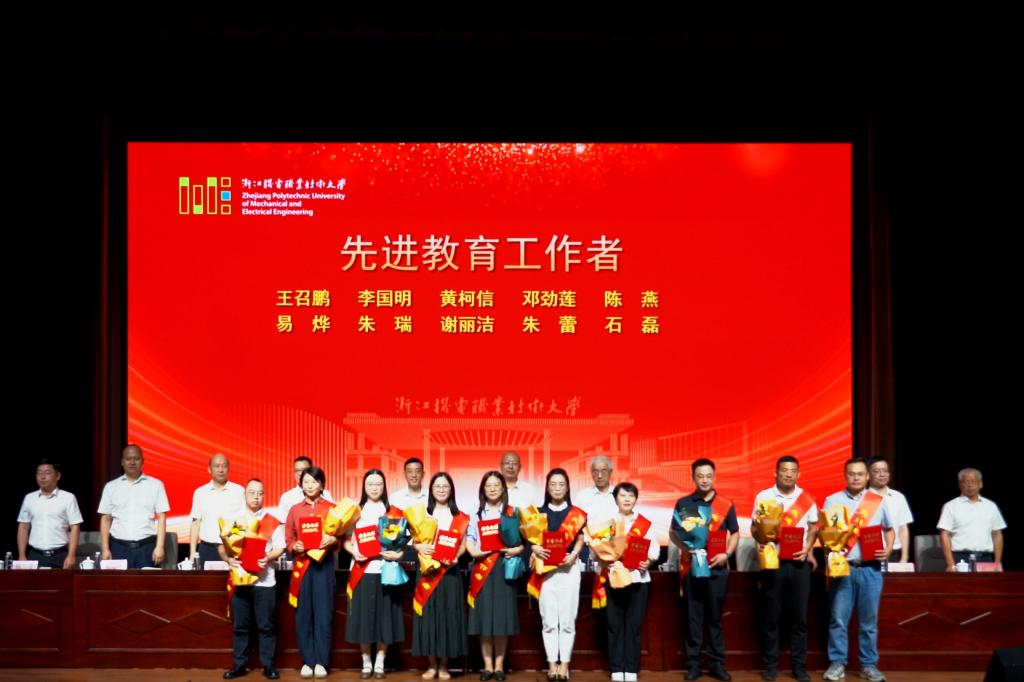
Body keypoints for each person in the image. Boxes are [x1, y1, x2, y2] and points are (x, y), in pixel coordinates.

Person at [822, 458, 895, 682]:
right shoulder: (832, 500)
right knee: (838, 619)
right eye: (851, 474)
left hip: (870, 569)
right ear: (845, 476)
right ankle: (837, 663)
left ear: (867, 477)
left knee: (869, 623)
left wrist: (888, 549)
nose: (856, 478)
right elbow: (823, 532)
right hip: (842, 568)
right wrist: (828, 548)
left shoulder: (877, 500)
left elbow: (890, 530)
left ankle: (869, 665)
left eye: (860, 474)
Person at [669, 458, 739, 681]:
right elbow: (673, 532)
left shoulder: (725, 504)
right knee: (693, 618)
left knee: (715, 619)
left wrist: (726, 554)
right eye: (700, 476)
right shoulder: (684, 503)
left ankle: (717, 664)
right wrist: (685, 549)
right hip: (692, 568)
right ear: (693, 477)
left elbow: (735, 533)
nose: (705, 480)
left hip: (717, 569)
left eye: (709, 476)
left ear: (714, 477)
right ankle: (694, 665)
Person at [751, 456, 818, 682]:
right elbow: (754, 528)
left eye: (793, 471)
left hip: (799, 564)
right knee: (771, 616)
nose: (789, 474)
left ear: (798, 474)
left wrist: (808, 548)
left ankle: (799, 667)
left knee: (799, 618)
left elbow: (813, 528)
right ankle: (770, 666)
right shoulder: (763, 497)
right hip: (774, 562)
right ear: (776, 473)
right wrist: (760, 538)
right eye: (784, 470)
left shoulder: (806, 498)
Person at [221, 479, 285, 680]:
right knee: (240, 626)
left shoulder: (272, 521)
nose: (256, 497)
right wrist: (228, 559)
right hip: (241, 579)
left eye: (260, 493)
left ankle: (268, 665)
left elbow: (280, 547)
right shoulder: (234, 520)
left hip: (265, 581)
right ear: (245, 495)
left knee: (266, 626)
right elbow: (222, 547)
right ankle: (239, 665)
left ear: (264, 495)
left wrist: (268, 557)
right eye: (252, 492)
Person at [343, 470, 405, 679]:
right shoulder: (355, 511)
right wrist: (354, 552)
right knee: (363, 617)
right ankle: (366, 662)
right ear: (364, 486)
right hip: (362, 570)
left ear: (384, 486)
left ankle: (380, 661)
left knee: (384, 617)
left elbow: (401, 544)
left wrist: (397, 554)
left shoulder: (393, 512)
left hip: (386, 570)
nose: (374, 487)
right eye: (370, 484)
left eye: (378, 484)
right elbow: (346, 540)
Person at [528, 469, 587, 681]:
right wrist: (534, 548)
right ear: (547, 487)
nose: (557, 488)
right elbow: (532, 539)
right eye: (553, 484)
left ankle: (565, 665)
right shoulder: (538, 512)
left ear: (567, 487)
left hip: (569, 570)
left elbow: (580, 538)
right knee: (549, 621)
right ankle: (552, 663)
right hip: (546, 573)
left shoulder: (576, 514)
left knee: (568, 620)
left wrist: (574, 554)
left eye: (561, 484)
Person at [466, 471, 525, 681]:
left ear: (503, 488)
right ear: (483, 489)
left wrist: (517, 550)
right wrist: (474, 552)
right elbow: (470, 539)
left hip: (504, 567)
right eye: (488, 485)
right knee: (484, 619)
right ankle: (487, 666)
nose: (492, 489)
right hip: (482, 567)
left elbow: (523, 542)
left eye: (496, 485)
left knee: (502, 618)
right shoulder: (476, 515)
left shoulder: (512, 512)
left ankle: (499, 666)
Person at [598, 482, 659, 682]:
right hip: (614, 578)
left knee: (634, 625)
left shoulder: (644, 524)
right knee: (614, 624)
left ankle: (631, 668)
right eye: (623, 495)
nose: (627, 499)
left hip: (638, 579)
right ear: (616, 499)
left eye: (631, 496)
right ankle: (617, 667)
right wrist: (606, 558)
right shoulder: (607, 522)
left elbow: (654, 549)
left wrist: (648, 561)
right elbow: (596, 549)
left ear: (636, 499)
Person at [412, 472, 470, 681]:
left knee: (448, 616)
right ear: (431, 489)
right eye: (437, 486)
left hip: (450, 572)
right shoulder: (422, 514)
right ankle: (431, 665)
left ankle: (444, 665)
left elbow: (463, 545)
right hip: (427, 572)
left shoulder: (460, 517)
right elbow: (414, 541)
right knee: (428, 616)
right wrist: (419, 546)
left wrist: (455, 557)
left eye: (445, 486)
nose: (441, 490)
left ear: (451, 490)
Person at [285, 466, 339, 679]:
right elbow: (289, 538)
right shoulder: (294, 510)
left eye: (314, 481)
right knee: (303, 615)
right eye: (306, 481)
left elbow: (340, 539)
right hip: (303, 567)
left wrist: (333, 539)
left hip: (323, 567)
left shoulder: (332, 509)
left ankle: (321, 662)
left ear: (322, 484)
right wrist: (294, 546)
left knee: (324, 615)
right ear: (301, 485)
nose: (310, 485)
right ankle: (308, 661)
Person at [98, 444, 171, 568]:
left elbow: (161, 517)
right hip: (118, 547)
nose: (132, 462)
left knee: (146, 581)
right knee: (118, 581)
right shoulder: (111, 487)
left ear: (142, 461)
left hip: (146, 548)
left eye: (136, 458)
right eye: (128, 459)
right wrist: (105, 548)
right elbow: (105, 519)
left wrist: (160, 546)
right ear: (122, 462)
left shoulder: (156, 485)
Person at [16, 459, 83, 569]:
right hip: (35, 555)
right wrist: (22, 555)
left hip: (60, 555)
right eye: (39, 473)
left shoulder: (68, 498)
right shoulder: (29, 498)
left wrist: (71, 555)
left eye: (47, 473)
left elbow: (75, 527)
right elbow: (23, 527)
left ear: (58, 476)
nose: (42, 477)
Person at [937, 468, 1006, 570]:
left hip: (985, 558)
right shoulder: (950, 506)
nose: (970, 485)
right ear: (959, 485)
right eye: (966, 482)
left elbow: (997, 534)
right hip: (960, 558)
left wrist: (997, 562)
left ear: (980, 484)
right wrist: (950, 563)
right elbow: (944, 534)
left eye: (973, 481)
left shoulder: (991, 506)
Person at [189, 453, 246, 567]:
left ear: (228, 468)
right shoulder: (200, 493)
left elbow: (244, 521)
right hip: (207, 549)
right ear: (209, 469)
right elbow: (195, 524)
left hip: (231, 549)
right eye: (217, 466)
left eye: (224, 466)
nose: (221, 470)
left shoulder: (239, 491)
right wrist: (192, 555)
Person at [867, 456, 914, 564]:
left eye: (885, 471)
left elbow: (903, 528)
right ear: (868, 475)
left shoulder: (898, 497)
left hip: (895, 553)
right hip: (870, 553)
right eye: (877, 471)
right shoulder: (863, 498)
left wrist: (904, 558)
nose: (882, 474)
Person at [276, 456, 334, 521]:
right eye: (297, 470)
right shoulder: (287, 497)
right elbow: (282, 522)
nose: (300, 473)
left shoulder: (326, 494)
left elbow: (332, 519)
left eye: (304, 470)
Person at [574, 456, 618, 530]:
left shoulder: (620, 495)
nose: (599, 476)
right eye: (595, 472)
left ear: (610, 472)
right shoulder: (582, 496)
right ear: (591, 473)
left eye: (603, 471)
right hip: (589, 537)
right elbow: (574, 524)